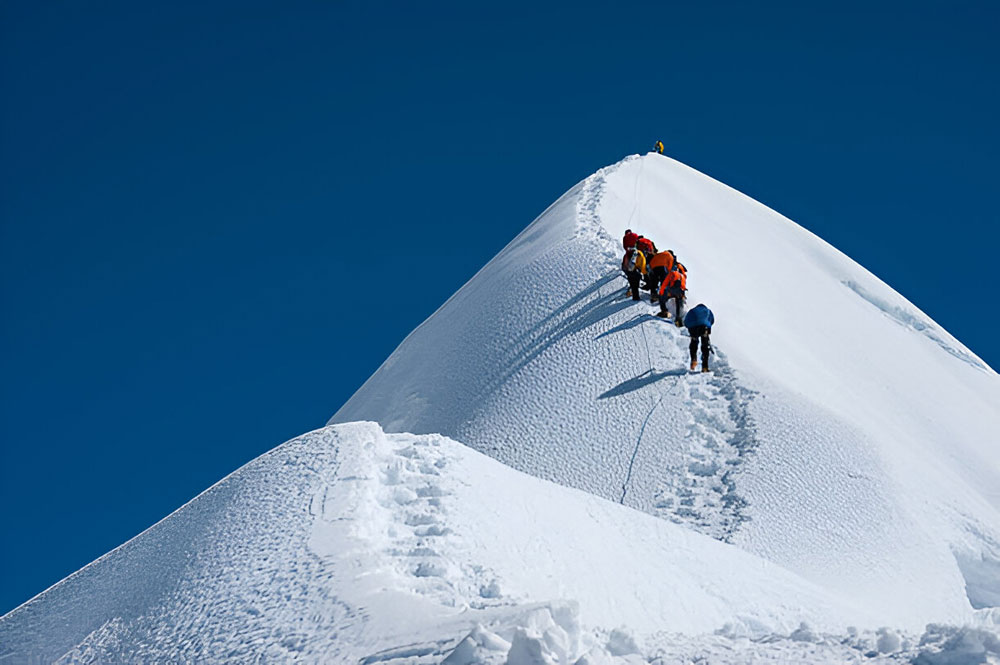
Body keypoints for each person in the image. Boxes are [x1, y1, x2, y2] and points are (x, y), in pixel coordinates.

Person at [683, 304, 714, 372]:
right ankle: (705, 366)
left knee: (694, 342)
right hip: (704, 327)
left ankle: (693, 360)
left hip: (693, 327)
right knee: (705, 344)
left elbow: (685, 322)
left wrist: (690, 330)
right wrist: (708, 329)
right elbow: (712, 320)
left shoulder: (692, 311)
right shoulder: (708, 311)